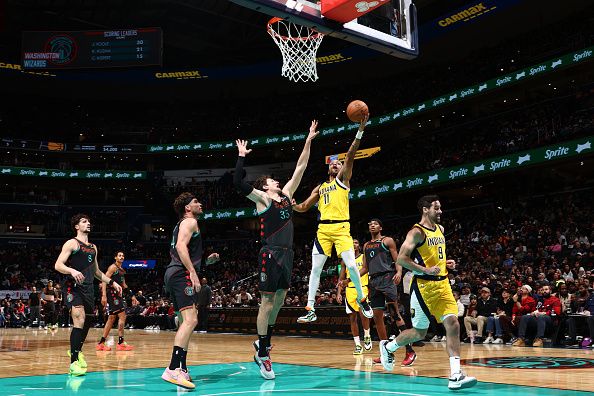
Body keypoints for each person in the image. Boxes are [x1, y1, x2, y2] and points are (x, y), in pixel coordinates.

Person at [233, 121, 317, 380]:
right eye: (272, 179)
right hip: (270, 253)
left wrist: (309, 140)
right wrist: (241, 157)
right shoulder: (262, 199)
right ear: (265, 185)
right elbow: (238, 182)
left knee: (279, 301)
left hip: (288, 254)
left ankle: (263, 344)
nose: (277, 180)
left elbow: (301, 167)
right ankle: (263, 350)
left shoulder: (287, 194)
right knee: (267, 301)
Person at [379, 195, 477, 390]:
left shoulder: (440, 230)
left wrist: (445, 263)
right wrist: (424, 270)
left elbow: (434, 256)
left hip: (442, 285)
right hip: (423, 287)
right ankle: (388, 347)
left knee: (453, 323)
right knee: (419, 332)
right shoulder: (416, 232)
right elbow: (401, 260)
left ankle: (456, 374)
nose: (440, 211)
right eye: (437, 208)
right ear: (425, 209)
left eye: (440, 208)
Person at [293, 116, 373, 322]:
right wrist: (294, 205)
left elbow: (351, 155)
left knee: (351, 265)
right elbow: (304, 207)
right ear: (328, 168)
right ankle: (310, 308)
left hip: (341, 229)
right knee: (315, 269)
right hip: (323, 231)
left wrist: (360, 130)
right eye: (334, 164)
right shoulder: (320, 187)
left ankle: (362, 300)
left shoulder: (343, 181)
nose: (337, 165)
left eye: (339, 163)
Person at [161, 193, 220, 390]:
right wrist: (193, 272)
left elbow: (184, 249)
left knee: (185, 322)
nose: (200, 203)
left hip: (173, 273)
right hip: (180, 273)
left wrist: (204, 262)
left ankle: (182, 368)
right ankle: (172, 368)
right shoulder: (190, 222)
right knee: (191, 320)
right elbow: (180, 246)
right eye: (196, 201)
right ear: (187, 208)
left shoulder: (182, 224)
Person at [54, 213, 123, 376]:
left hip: (88, 289)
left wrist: (112, 282)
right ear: (77, 226)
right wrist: (72, 270)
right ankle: (73, 364)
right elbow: (58, 265)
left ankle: (76, 351)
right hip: (73, 286)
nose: (88, 223)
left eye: (89, 221)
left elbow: (97, 272)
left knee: (87, 321)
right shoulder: (72, 243)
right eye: (84, 221)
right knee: (79, 318)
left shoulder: (93, 247)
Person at [360, 219, 420, 366]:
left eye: (375, 223)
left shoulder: (387, 241)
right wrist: (349, 280)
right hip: (373, 282)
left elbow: (398, 258)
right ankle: (385, 352)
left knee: (394, 314)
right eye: (369, 224)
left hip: (387, 278)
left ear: (381, 226)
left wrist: (399, 271)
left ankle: (410, 351)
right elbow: (365, 268)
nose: (372, 225)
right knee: (377, 317)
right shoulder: (366, 245)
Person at [336, 239, 372, 355]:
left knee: (363, 314)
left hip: (362, 288)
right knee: (352, 319)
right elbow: (341, 278)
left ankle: (367, 335)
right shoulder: (344, 260)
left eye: (356, 242)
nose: (354, 244)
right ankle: (357, 345)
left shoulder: (363, 257)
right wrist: (338, 292)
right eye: (351, 242)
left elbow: (366, 270)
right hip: (349, 290)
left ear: (359, 245)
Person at [97, 251, 133, 351]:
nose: (121, 257)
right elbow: (104, 279)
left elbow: (124, 285)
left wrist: (132, 296)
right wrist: (103, 295)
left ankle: (101, 343)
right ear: (115, 257)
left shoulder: (122, 270)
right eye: (119, 255)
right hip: (112, 294)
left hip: (117, 294)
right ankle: (121, 343)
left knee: (111, 318)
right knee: (122, 315)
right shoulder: (113, 267)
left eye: (123, 256)